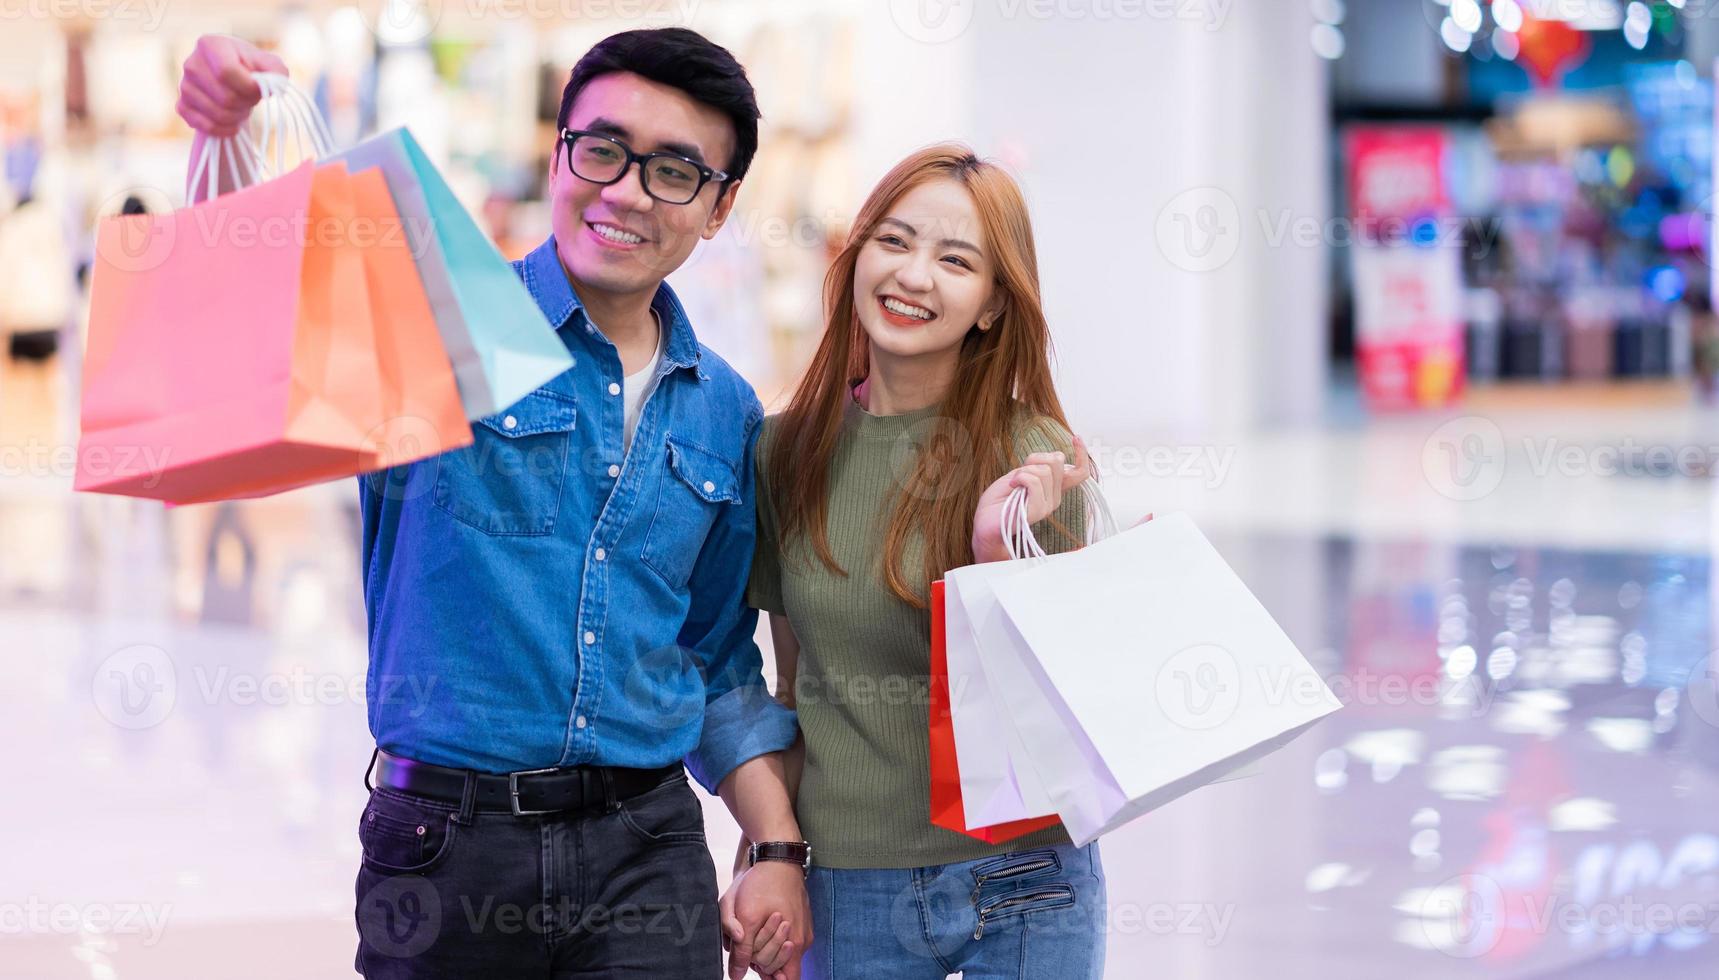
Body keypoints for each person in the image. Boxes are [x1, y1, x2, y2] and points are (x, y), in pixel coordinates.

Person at [178, 29, 812, 980]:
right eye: (603, 149)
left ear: (720, 208)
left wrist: (775, 852)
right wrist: (219, 134)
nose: (629, 191)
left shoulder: (724, 410)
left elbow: (715, 658)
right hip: (445, 848)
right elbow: (250, 347)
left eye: (676, 171)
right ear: (558, 151)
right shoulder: (436, 328)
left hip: (649, 853)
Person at [743, 144, 1108, 979]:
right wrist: (770, 853)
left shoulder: (1034, 461)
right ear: (856, 255)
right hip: (847, 882)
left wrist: (994, 555)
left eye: (954, 260)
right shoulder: (782, 453)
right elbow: (794, 689)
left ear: (989, 305)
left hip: (1024, 874)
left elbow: (1049, 712)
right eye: (894, 242)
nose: (913, 276)